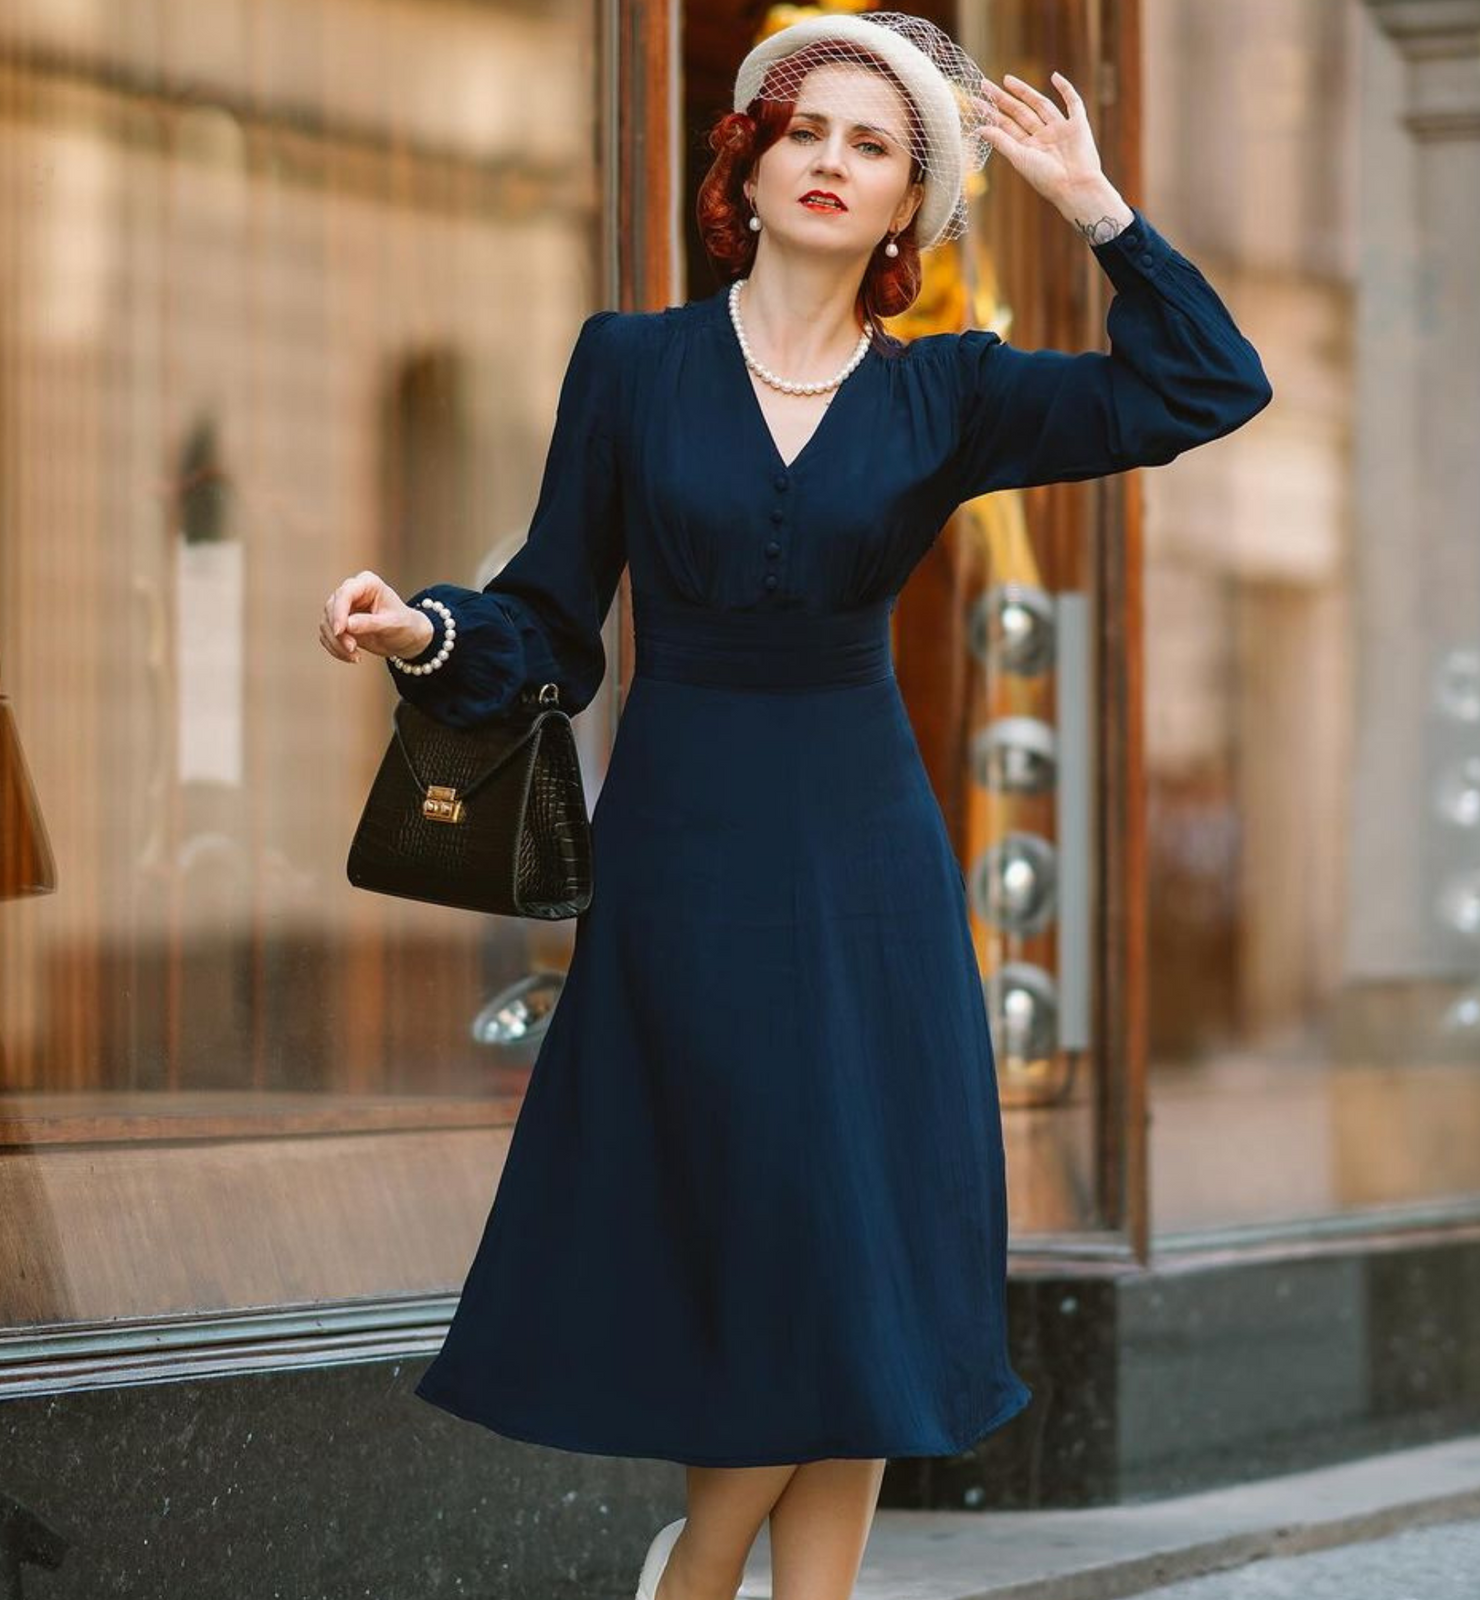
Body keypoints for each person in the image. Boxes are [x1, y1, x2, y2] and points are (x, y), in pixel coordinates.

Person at [317, 12, 1272, 1599]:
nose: (832, 161)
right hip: (685, 859)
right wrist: (422, 631)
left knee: (856, 1235)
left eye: (874, 146)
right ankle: (703, 1571)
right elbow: (550, 619)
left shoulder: (949, 392)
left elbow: (1208, 385)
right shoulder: (630, 364)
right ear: (747, 169)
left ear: (907, 209)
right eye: (805, 132)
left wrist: (1096, 209)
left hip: (867, 860)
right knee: (762, 1221)